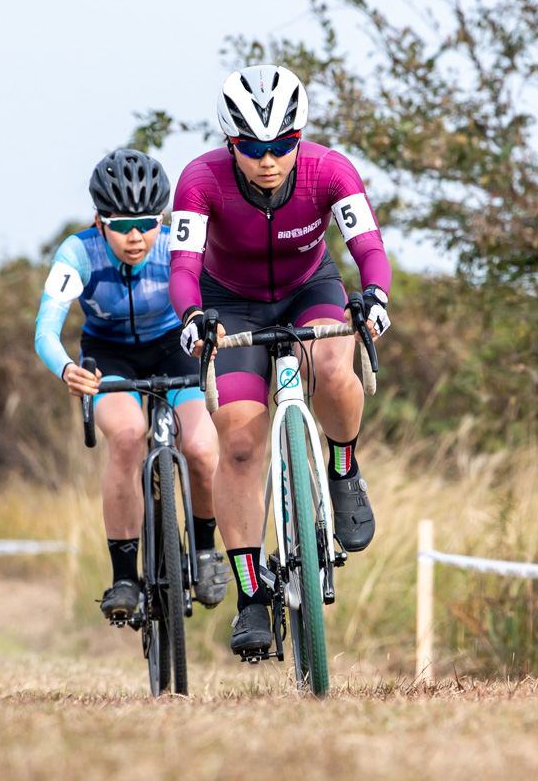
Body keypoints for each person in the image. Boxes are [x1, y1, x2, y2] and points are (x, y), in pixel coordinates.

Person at [169, 65, 392, 654]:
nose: (268, 161)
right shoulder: (199, 181)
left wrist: (376, 298)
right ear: (229, 142)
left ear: (299, 139)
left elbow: (368, 247)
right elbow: (184, 269)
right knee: (239, 443)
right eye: (252, 148)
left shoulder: (328, 169)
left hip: (308, 287)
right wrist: (193, 318)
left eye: (281, 146)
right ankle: (250, 597)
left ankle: (342, 467)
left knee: (336, 368)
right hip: (229, 304)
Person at [34, 149, 229, 620]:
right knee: (126, 438)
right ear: (99, 221)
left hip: (173, 345)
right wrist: (67, 370)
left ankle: (205, 551)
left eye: (147, 222)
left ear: (162, 218)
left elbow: (218, 295)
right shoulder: (77, 252)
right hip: (110, 355)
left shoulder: (175, 246)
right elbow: (45, 330)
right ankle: (124, 577)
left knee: (202, 449)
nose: (136, 236)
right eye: (122, 225)